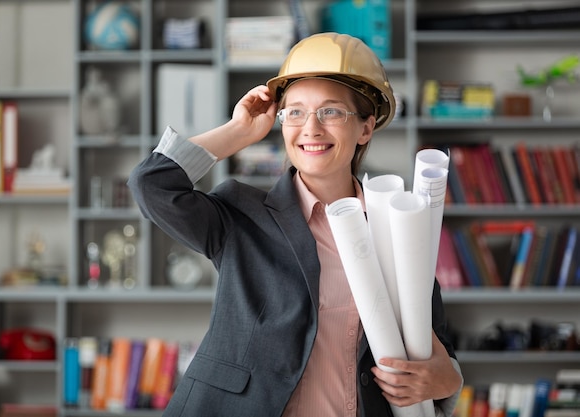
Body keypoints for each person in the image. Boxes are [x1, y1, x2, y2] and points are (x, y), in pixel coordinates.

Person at [128, 32, 463, 417]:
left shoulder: (399, 232)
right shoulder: (241, 213)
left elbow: (436, 352)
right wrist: (238, 132)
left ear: (366, 128)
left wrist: (449, 380)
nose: (311, 128)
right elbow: (151, 185)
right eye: (296, 112)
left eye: (331, 111)